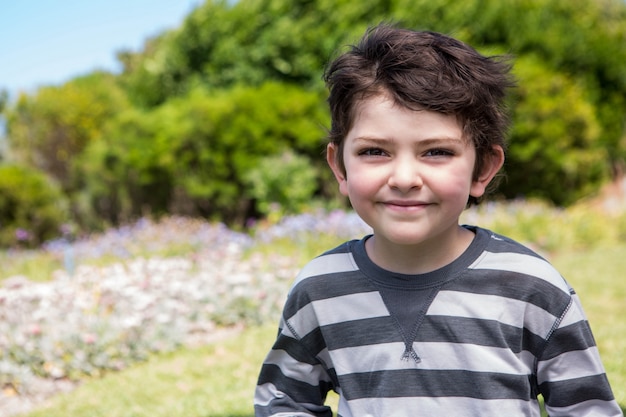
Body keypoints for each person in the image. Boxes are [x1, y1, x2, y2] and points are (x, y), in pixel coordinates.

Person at [254, 24, 622, 417]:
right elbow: (285, 401)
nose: (405, 179)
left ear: (483, 169)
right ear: (339, 167)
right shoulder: (319, 289)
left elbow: (588, 410)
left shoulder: (532, 288)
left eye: (436, 152)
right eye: (375, 151)